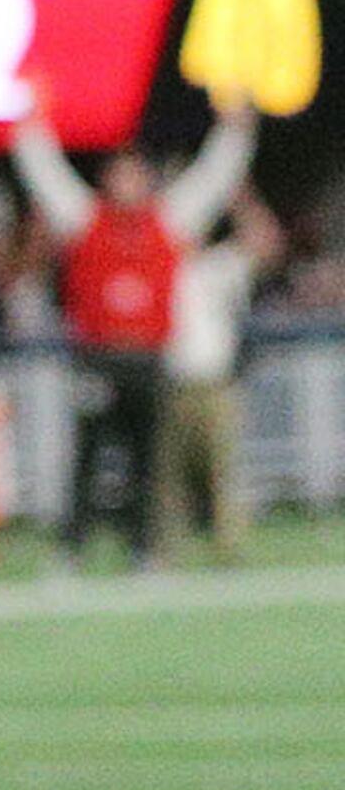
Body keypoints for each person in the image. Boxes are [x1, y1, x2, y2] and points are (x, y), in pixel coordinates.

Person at [10, 83, 255, 570]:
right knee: (88, 458)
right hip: (100, 355)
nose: (127, 183)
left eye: (134, 174)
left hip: (149, 357)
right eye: (118, 174)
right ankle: (71, 550)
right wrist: (31, 123)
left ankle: (145, 550)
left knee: (151, 463)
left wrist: (235, 131)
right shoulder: (85, 219)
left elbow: (214, 178)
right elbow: (45, 175)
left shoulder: (169, 221)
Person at [160, 187, 278, 562]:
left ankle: (229, 548)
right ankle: (164, 552)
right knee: (166, 477)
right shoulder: (156, 263)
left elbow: (266, 243)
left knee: (224, 472)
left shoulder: (217, 264)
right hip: (168, 383)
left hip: (214, 384)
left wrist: (239, 196)